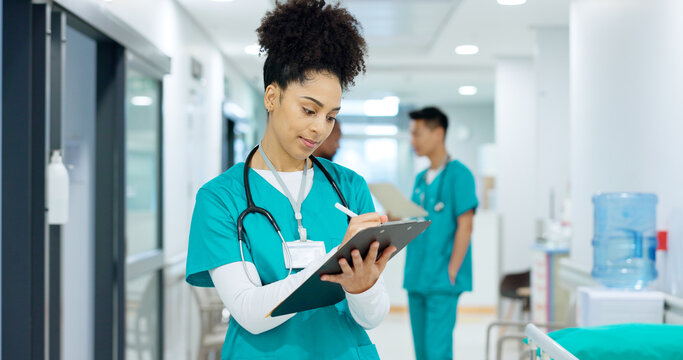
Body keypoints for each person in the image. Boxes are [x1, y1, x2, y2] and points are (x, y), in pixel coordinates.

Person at [185, 1, 396, 359]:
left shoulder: (349, 186)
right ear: (272, 96)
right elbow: (250, 312)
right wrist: (333, 263)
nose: (319, 128)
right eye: (308, 110)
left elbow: (372, 318)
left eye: (330, 116)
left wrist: (362, 288)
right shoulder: (221, 198)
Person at [403, 106, 478, 360]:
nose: (413, 141)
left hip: (442, 279)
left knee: (437, 352)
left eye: (417, 134)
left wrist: (453, 270)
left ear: (438, 133)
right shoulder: (420, 179)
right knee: (422, 352)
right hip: (417, 276)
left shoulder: (460, 175)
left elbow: (465, 225)